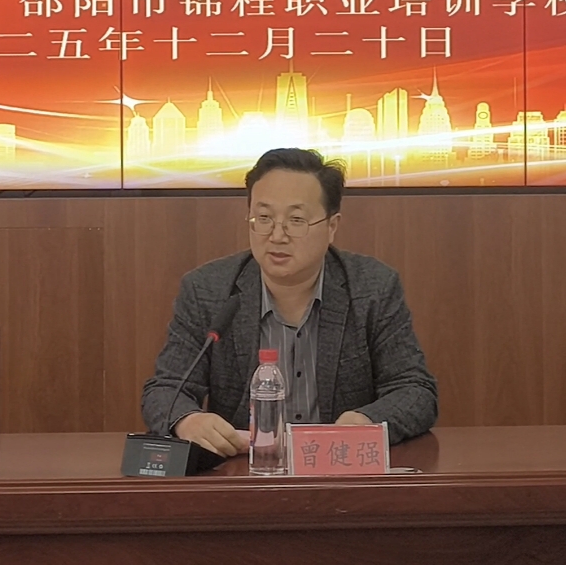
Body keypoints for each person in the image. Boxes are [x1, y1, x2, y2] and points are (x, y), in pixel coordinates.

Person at [141, 148, 438, 457]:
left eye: (296, 220)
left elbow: (415, 390)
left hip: (339, 468)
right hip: (245, 471)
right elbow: (165, 389)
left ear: (331, 226)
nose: (277, 236)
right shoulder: (207, 290)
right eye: (264, 218)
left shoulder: (373, 288)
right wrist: (188, 420)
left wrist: (366, 421)